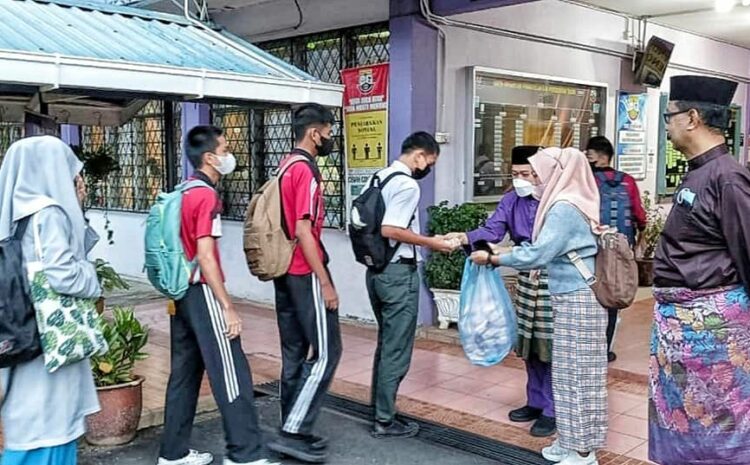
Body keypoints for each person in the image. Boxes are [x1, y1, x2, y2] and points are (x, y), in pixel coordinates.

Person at [471, 147, 608, 465]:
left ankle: (584, 452)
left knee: (579, 377)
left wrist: (494, 258)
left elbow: (538, 253)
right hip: (570, 296)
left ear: (556, 173)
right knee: (566, 374)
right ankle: (569, 441)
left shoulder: (563, 207)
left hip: (577, 298)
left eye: (537, 173)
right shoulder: (571, 200)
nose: (533, 179)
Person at [158, 126, 277, 465]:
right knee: (231, 370)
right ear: (209, 157)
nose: (228, 155)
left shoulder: (183, 190)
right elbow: (206, 255)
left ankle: (173, 454)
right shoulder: (206, 196)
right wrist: (228, 306)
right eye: (224, 149)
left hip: (181, 291)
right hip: (202, 290)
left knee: (184, 372)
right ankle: (245, 455)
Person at [650, 75, 750, 465]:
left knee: (719, 423)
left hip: (713, 338)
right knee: (689, 426)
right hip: (684, 333)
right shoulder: (698, 172)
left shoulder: (727, 177)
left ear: (691, 118)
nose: (667, 126)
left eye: (669, 117)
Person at [0, 136, 102, 465]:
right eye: (73, 173)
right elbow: (63, 274)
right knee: (50, 434)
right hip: (50, 344)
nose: (79, 181)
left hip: (21, 333)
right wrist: (93, 280)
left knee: (27, 432)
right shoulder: (49, 213)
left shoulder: (14, 214)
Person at [446, 145, 557, 437]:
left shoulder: (558, 202)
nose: (519, 179)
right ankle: (535, 400)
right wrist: (463, 238)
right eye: (515, 173)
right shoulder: (512, 200)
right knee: (528, 345)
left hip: (553, 281)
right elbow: (493, 230)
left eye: (526, 174)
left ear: (540, 174)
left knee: (549, 347)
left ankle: (552, 409)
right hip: (526, 280)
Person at [268, 104, 342, 464]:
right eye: (328, 132)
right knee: (328, 352)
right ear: (315, 132)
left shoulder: (284, 166)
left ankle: (292, 427)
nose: (330, 138)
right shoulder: (307, 172)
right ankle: (293, 430)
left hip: (283, 271)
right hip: (303, 271)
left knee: (294, 352)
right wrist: (325, 283)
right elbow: (303, 230)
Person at [366, 132, 452, 439]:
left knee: (386, 344)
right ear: (419, 156)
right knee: (396, 348)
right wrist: (431, 242)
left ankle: (380, 409)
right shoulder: (406, 184)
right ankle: (385, 420)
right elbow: (391, 228)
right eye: (430, 161)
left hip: (376, 272)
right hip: (398, 274)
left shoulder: (378, 177)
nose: (428, 167)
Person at [585, 136, 647, 363]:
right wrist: (640, 238)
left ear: (601, 156)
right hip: (620, 250)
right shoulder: (628, 181)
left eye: (589, 154)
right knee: (613, 295)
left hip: (593, 248)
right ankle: (605, 348)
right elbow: (640, 216)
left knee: (592, 292)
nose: (587, 158)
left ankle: (589, 344)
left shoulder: (588, 181)